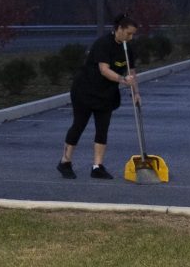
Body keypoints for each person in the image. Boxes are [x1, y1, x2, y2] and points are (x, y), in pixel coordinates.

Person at [56, 13, 138, 179]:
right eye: (128, 33)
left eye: (133, 34)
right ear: (119, 29)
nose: (131, 37)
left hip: (106, 93)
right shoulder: (103, 44)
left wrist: (135, 93)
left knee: (103, 128)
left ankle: (97, 166)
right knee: (79, 125)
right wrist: (123, 80)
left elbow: (132, 71)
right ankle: (65, 162)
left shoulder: (127, 48)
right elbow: (104, 70)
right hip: (85, 90)